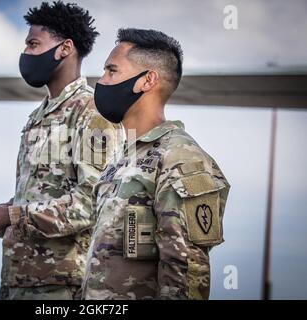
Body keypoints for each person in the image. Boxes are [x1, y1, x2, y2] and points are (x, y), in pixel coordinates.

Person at [0, 1, 118, 300]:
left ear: (65, 48)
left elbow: (92, 204)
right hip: (17, 282)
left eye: (33, 44)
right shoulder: (39, 116)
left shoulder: (92, 112)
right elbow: (40, 199)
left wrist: (10, 215)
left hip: (61, 288)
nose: (26, 54)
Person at [81, 28, 230, 300]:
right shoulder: (122, 160)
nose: (101, 81)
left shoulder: (181, 158)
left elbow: (186, 272)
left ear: (147, 80)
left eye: (111, 71)